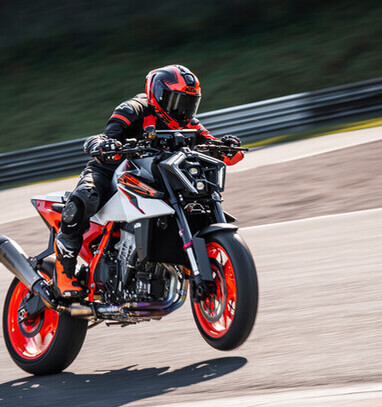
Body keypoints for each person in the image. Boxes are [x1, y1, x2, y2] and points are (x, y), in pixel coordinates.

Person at [53, 64, 245, 298]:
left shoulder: (188, 123)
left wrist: (226, 147)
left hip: (158, 175)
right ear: (158, 95)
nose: (183, 110)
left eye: (189, 103)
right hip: (113, 169)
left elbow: (214, 145)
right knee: (86, 197)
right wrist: (104, 145)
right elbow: (106, 136)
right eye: (177, 101)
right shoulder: (133, 109)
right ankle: (64, 270)